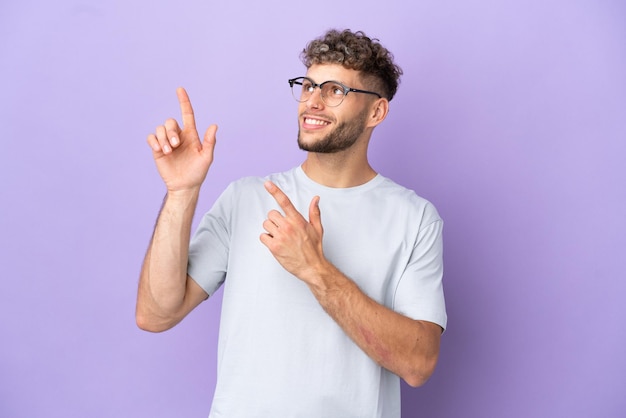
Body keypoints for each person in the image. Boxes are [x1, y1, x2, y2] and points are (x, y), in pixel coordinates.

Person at [136, 29, 447, 418]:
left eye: (334, 90)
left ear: (376, 112)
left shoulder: (415, 218)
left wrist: (315, 269)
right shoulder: (246, 198)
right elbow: (156, 314)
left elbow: (418, 364)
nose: (312, 102)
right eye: (307, 86)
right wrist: (181, 193)